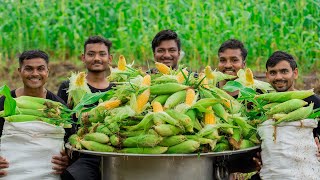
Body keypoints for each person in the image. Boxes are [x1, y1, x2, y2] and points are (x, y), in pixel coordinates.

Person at [0, 50, 69, 177]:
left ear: (47, 71)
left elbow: (70, 140)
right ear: (19, 71)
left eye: (40, 69)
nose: (35, 73)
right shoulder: (5, 102)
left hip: (48, 172)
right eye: (29, 69)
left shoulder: (57, 106)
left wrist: (68, 158)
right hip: (10, 171)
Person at [57, 35, 114, 180]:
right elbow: (60, 123)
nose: (96, 58)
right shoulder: (69, 87)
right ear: (83, 58)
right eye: (91, 54)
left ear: (110, 59)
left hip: (114, 152)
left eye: (102, 54)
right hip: (82, 154)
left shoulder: (118, 89)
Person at [265, 50, 320, 136]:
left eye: (284, 71)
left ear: (295, 73)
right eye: (273, 72)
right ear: (267, 76)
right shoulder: (263, 105)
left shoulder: (314, 102)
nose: (278, 77)